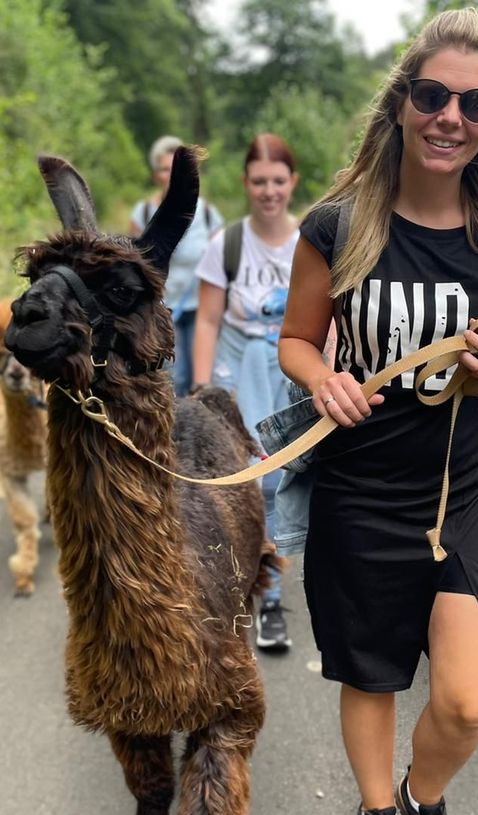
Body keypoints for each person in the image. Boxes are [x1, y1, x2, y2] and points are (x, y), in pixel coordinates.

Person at [278, 8, 478, 815]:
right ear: (401, 103)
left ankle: (420, 797)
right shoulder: (335, 226)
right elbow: (296, 340)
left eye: (475, 105)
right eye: (432, 96)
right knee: (371, 667)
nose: (450, 117)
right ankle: (372, 811)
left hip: (464, 488)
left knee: (467, 698)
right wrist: (324, 378)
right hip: (360, 484)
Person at [192, 133, 301, 652]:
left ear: (292, 182)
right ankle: (239, 591)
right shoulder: (227, 245)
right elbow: (208, 319)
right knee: (241, 484)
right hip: (237, 377)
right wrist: (203, 386)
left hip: (289, 377)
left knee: (281, 485)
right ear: (245, 183)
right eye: (259, 181)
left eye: (277, 181)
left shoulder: (309, 243)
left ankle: (271, 595)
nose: (269, 191)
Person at [129, 135, 223, 397]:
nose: (169, 175)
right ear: (154, 174)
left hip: (201, 307)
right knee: (172, 375)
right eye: (163, 169)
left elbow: (221, 259)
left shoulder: (207, 214)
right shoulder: (142, 214)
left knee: (202, 376)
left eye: (175, 169)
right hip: (162, 310)